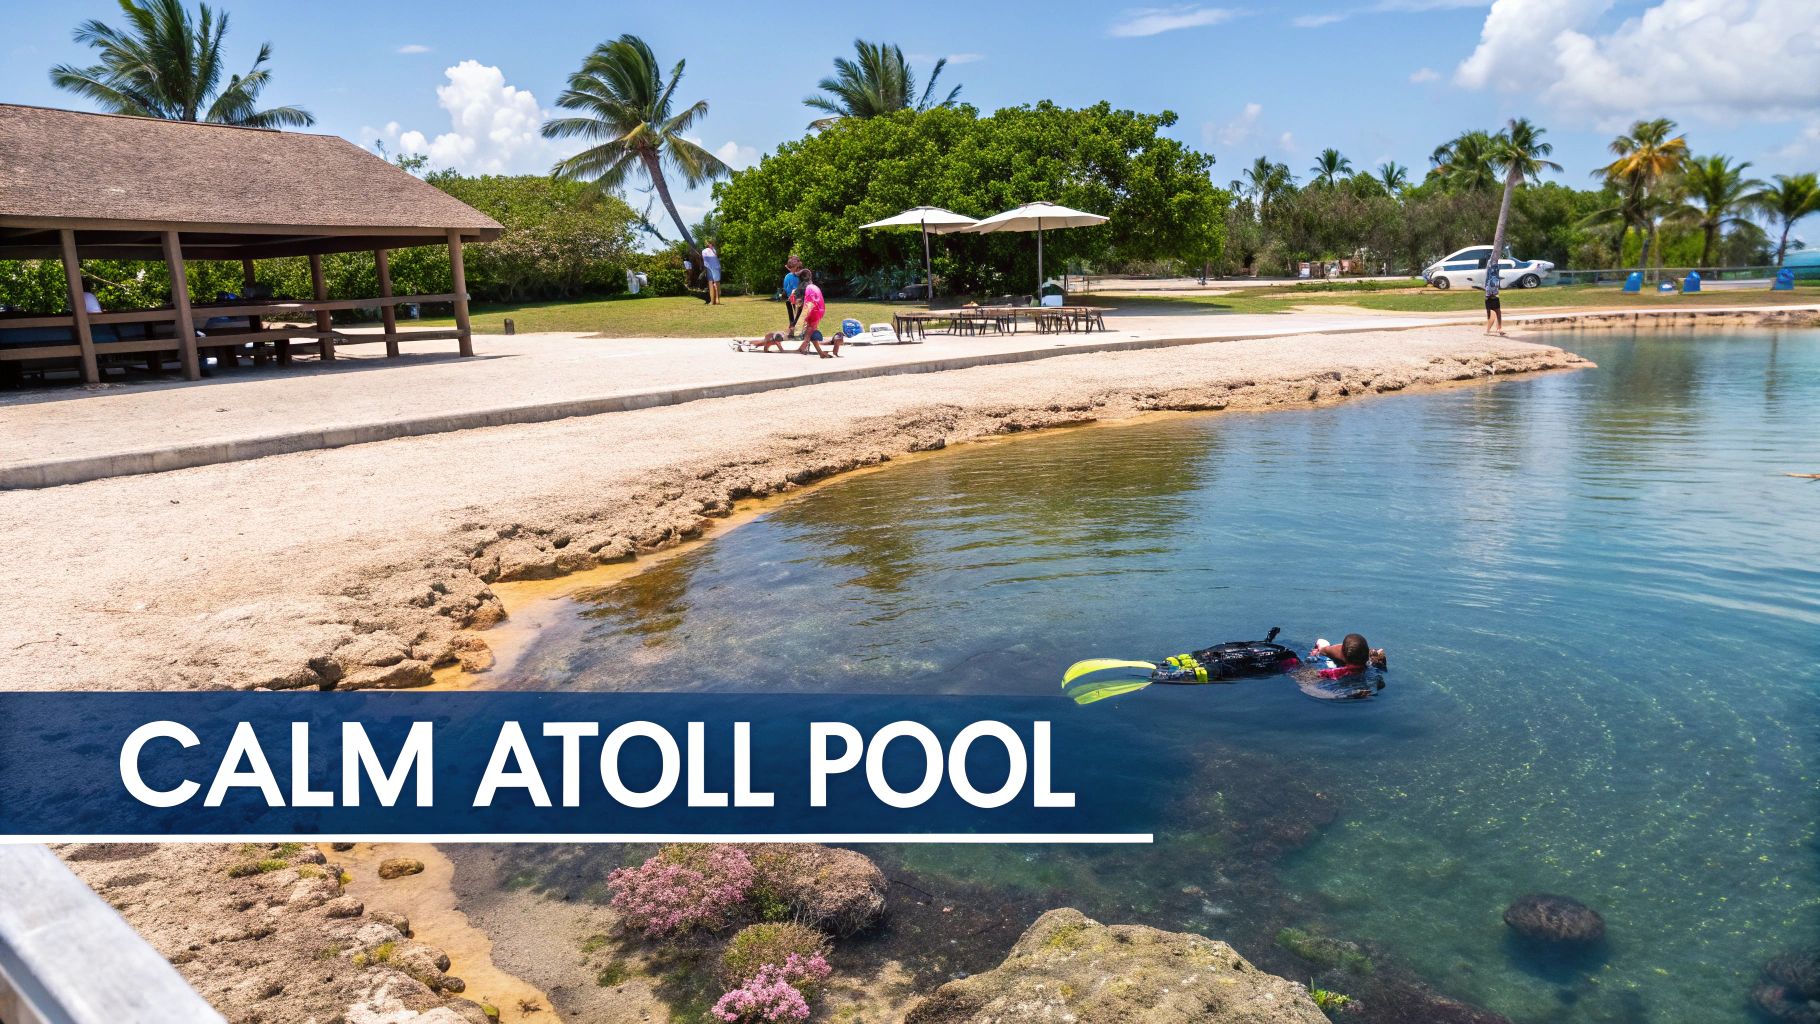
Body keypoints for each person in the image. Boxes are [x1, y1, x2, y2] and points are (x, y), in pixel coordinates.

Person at [796, 269, 836, 358]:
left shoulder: (805, 287)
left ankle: (813, 350)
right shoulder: (811, 286)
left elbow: (802, 301)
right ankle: (806, 347)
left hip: (812, 310)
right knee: (811, 331)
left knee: (811, 331)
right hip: (816, 311)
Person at [1310, 633, 1387, 673]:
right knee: (1322, 643)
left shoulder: (1337, 652)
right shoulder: (1372, 659)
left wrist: (1315, 655)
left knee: (1321, 643)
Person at [781, 257, 803, 339]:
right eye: (792, 268)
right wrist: (788, 295)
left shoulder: (801, 276)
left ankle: (795, 332)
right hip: (791, 300)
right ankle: (792, 331)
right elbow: (786, 288)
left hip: (799, 300)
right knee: (793, 317)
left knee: (799, 317)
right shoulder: (788, 276)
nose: (793, 270)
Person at [1483, 263, 1503, 335]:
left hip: (1494, 298)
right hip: (1489, 298)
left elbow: (1497, 286)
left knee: (1498, 313)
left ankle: (1499, 328)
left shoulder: (1496, 277)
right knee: (1490, 314)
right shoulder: (1488, 277)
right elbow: (1487, 287)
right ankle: (1488, 330)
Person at [702, 240, 722, 305]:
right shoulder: (713, 250)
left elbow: (705, 260)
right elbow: (715, 256)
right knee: (716, 283)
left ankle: (714, 301)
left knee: (712, 283)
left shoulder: (705, 251)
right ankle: (715, 300)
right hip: (715, 267)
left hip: (710, 267)